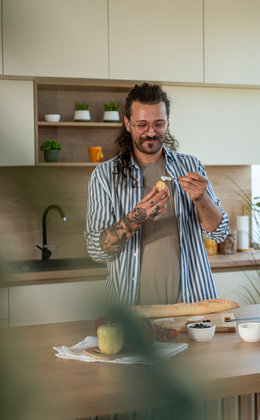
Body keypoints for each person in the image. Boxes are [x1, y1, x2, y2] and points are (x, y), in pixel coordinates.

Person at [85, 83, 229, 305]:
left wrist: (202, 199)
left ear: (168, 122)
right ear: (127, 124)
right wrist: (135, 219)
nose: (150, 133)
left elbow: (219, 233)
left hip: (193, 306)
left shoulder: (191, 166)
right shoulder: (104, 175)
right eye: (141, 124)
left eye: (158, 124)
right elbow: (97, 250)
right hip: (132, 314)